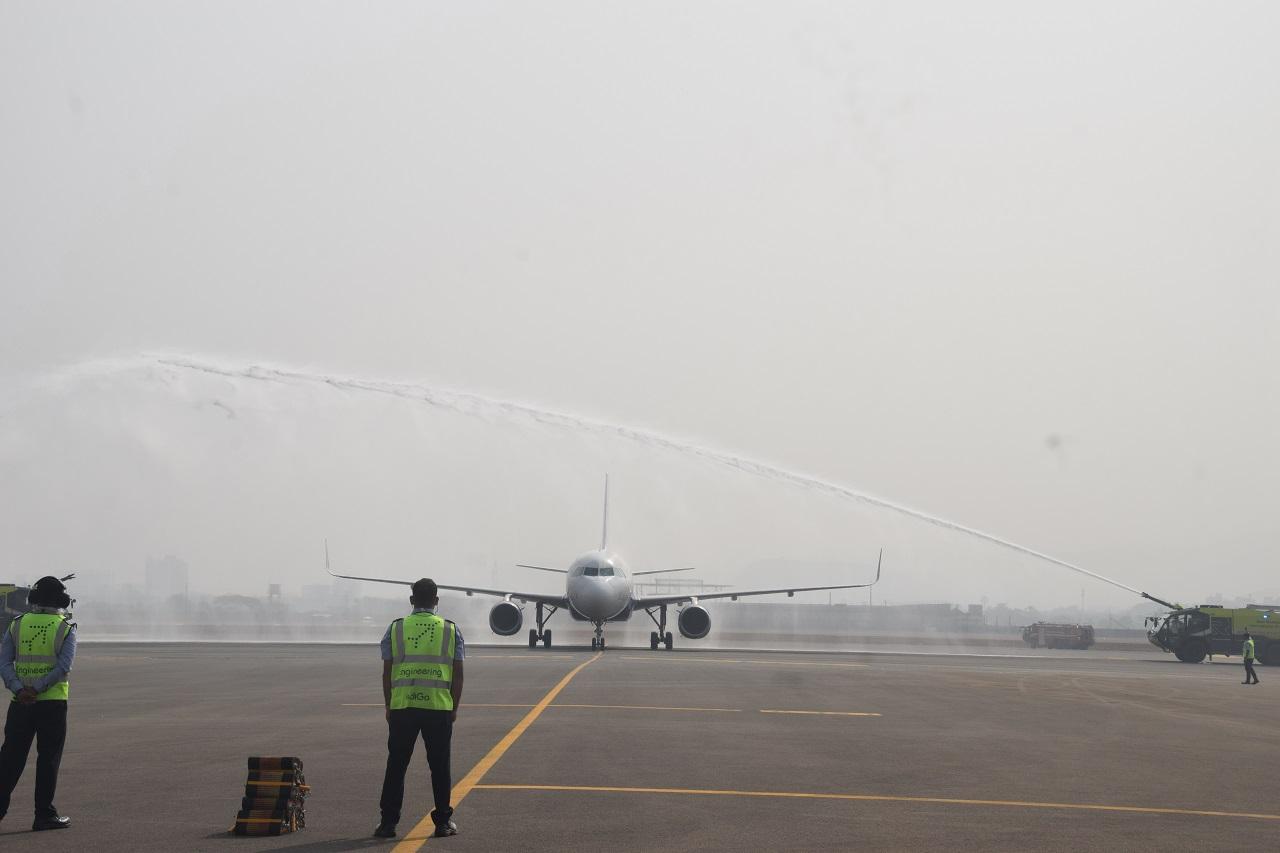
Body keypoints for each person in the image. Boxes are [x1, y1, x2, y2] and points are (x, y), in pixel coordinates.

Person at [374, 578, 465, 839]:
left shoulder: (396, 629)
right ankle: (443, 823)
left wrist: (389, 705)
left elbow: (386, 672)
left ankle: (388, 823)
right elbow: (458, 675)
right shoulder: (450, 630)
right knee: (440, 767)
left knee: (396, 766)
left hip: (403, 707)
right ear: (436, 601)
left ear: (412, 600)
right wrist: (454, 707)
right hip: (438, 708)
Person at [0, 576, 76, 831]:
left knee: (10, 759)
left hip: (20, 704)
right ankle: (44, 815)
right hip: (52, 704)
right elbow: (64, 667)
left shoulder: (17, 624)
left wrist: (20, 689)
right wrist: (39, 688)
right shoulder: (65, 627)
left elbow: (4, 663)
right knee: (48, 760)